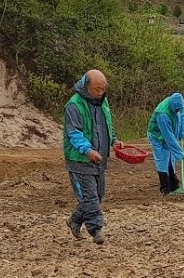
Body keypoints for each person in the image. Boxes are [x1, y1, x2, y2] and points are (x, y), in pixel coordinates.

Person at [63, 69, 122, 245]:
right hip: (79, 159)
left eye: (103, 89)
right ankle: (96, 230)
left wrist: (115, 141)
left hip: (99, 158)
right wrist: (87, 150)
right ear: (85, 86)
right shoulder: (74, 105)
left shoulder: (103, 102)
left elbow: (108, 125)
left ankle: (74, 220)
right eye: (96, 89)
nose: (100, 92)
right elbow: (74, 133)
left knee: (98, 195)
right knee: (90, 198)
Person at [147, 92, 184, 195]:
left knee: (171, 159)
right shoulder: (162, 114)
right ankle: (165, 187)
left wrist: (183, 131)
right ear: (173, 106)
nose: (179, 111)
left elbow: (182, 116)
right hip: (158, 137)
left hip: (170, 134)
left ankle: (174, 184)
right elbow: (168, 136)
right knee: (162, 160)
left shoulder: (179, 104)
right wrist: (179, 151)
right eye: (177, 109)